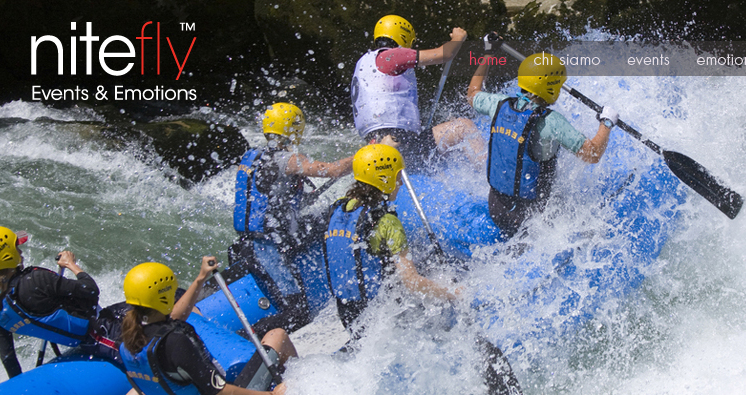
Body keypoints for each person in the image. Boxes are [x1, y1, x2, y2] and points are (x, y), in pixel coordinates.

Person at [322, 145, 521, 394]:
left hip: (349, 314)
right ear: (384, 179)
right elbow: (412, 283)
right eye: (397, 178)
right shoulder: (387, 223)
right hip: (380, 318)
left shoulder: (339, 209)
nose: (401, 185)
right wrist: (453, 292)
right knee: (464, 327)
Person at [466, 44, 620, 238]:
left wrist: (488, 53)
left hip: (496, 207)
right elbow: (592, 154)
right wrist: (606, 122)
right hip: (529, 217)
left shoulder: (497, 103)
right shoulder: (551, 122)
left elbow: (472, 92)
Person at [232, 102, 356, 327]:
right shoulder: (286, 160)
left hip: (257, 240)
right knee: (297, 314)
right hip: (266, 249)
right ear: (295, 129)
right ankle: (250, 338)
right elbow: (333, 170)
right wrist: (366, 155)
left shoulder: (251, 156)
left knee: (328, 215)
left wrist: (302, 199)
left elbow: (270, 197)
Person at [119, 259, 296, 395]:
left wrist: (201, 278)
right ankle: (302, 381)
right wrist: (271, 394)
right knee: (277, 335)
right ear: (165, 297)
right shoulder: (176, 343)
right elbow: (220, 392)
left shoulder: (127, 341)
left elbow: (175, 317)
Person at [351, 15, 484, 169]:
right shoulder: (391, 56)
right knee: (464, 127)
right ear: (403, 37)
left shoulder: (364, 63)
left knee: (444, 158)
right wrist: (458, 38)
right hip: (399, 141)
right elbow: (445, 54)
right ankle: (491, 177)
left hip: (378, 141)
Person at [0, 225, 112, 378]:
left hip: (79, 343)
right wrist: (71, 264)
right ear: (7, 257)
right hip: (103, 332)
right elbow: (90, 290)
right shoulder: (36, 279)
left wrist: (20, 384)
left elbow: (7, 357)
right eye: (16, 248)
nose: (20, 251)